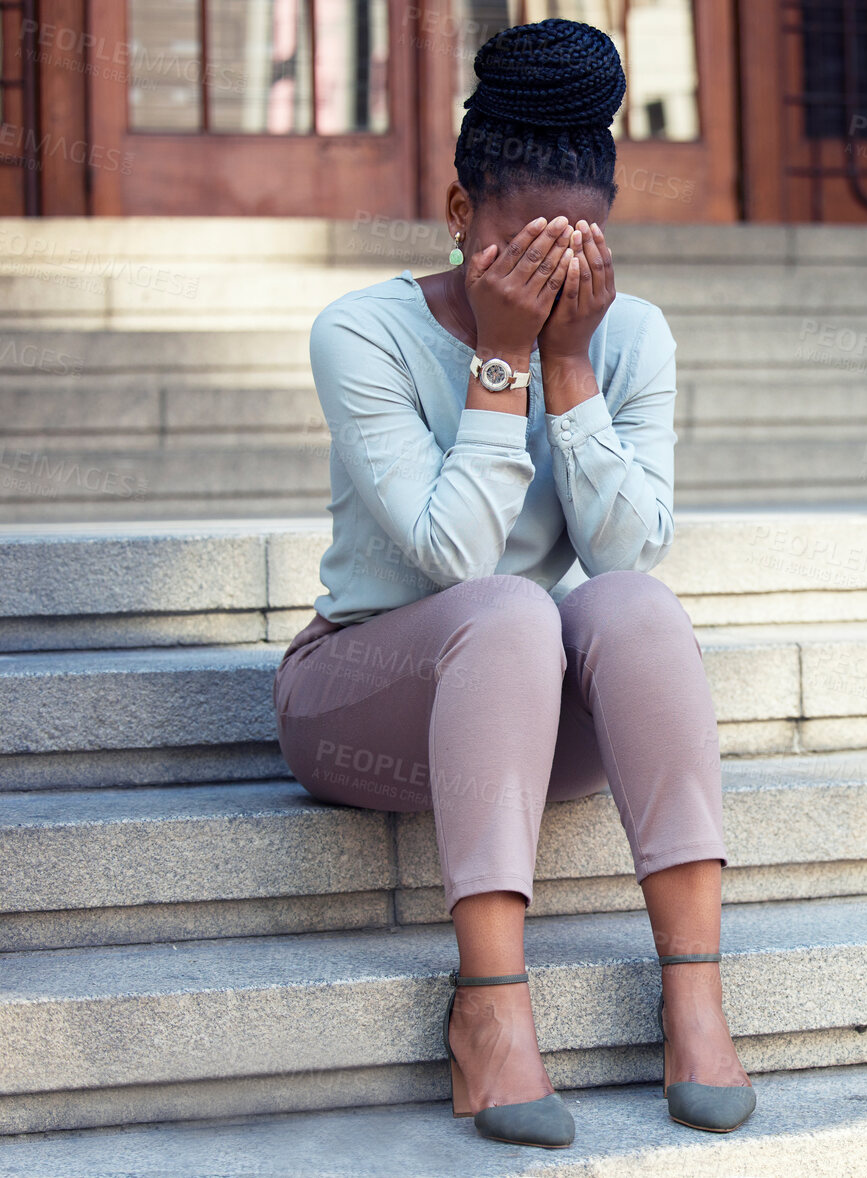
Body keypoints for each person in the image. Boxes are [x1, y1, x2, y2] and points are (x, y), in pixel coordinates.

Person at [270, 17, 753, 1150]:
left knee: (631, 603)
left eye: (577, 244)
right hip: (361, 689)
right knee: (505, 603)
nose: (552, 270)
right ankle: (489, 1008)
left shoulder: (630, 336)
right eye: (518, 240)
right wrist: (499, 359)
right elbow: (452, 559)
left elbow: (628, 552)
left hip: (528, 718)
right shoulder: (364, 332)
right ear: (454, 218)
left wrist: (571, 366)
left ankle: (693, 994)